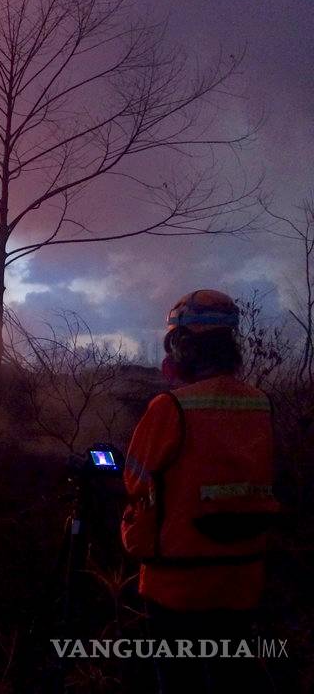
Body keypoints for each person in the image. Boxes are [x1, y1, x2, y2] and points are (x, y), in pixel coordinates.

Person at [121, 290, 279, 692]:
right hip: (243, 576)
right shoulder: (261, 404)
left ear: (183, 345)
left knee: (179, 681)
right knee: (232, 679)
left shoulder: (170, 407)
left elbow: (135, 480)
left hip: (177, 585)